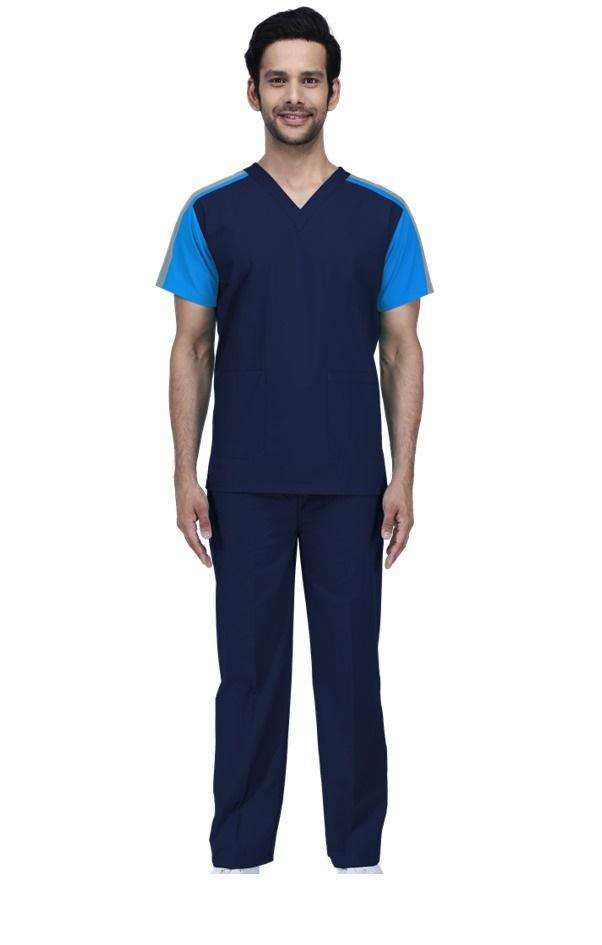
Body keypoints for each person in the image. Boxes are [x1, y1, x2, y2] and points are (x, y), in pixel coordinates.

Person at [156, 6, 434, 875]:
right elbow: (191, 346)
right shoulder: (212, 213)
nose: (294, 95)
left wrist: (404, 476)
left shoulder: (383, 216)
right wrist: (183, 473)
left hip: (352, 481)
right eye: (277, 78)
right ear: (252, 91)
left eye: (310, 79)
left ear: (335, 91)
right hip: (245, 481)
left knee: (350, 673)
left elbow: (402, 348)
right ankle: (239, 857)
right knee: (248, 674)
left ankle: (359, 858)